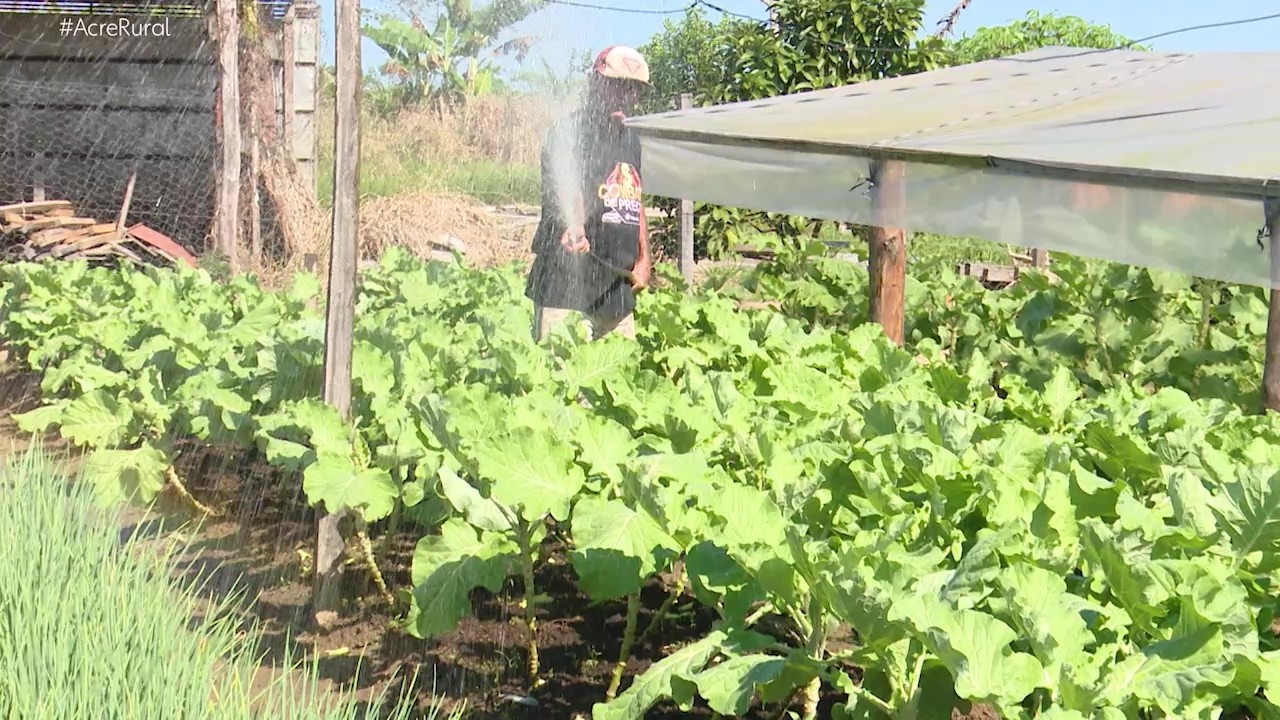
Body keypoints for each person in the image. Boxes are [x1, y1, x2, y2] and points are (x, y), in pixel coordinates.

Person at [525, 46, 653, 342]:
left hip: (616, 291)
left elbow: (634, 195)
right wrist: (575, 225)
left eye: (634, 89)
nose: (627, 95)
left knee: (619, 381)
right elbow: (566, 187)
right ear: (595, 83)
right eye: (618, 85)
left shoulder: (632, 141)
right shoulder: (569, 132)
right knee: (565, 383)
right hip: (566, 290)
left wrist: (644, 257)